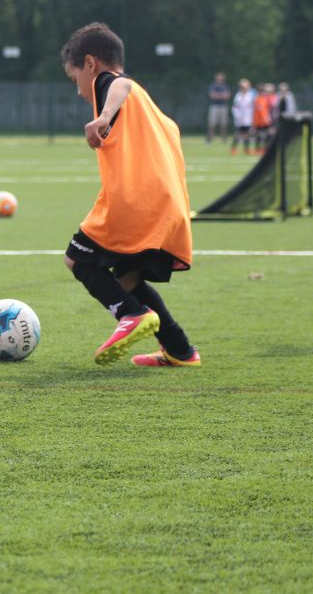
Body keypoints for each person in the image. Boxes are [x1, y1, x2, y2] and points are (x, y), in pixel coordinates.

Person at [60, 22, 199, 368]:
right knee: (127, 277)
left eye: (74, 79)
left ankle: (130, 314)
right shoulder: (149, 106)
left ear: (90, 64)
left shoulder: (112, 84)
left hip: (136, 202)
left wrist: (104, 116)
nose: (78, 91)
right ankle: (180, 350)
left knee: (77, 260)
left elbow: (121, 81)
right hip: (168, 207)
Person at [230, 78, 254, 155]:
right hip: (239, 119)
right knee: (238, 134)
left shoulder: (250, 96)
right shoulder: (238, 96)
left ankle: (246, 149)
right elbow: (235, 107)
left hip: (248, 118)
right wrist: (237, 116)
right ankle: (233, 148)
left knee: (247, 134)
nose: (244, 88)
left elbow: (252, 107)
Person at [205, 72, 230, 144]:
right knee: (212, 123)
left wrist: (218, 95)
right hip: (214, 106)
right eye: (218, 79)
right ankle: (210, 138)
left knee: (224, 124)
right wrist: (222, 96)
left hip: (223, 106)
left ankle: (224, 139)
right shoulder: (213, 86)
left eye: (221, 79)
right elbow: (212, 95)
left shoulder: (225, 86)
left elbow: (227, 96)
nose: (219, 80)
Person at [251, 82, 273, 154]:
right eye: (261, 90)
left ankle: (266, 148)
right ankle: (257, 149)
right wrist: (254, 123)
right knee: (258, 136)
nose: (262, 92)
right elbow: (256, 111)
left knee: (267, 135)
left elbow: (269, 108)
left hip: (265, 120)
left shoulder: (266, 98)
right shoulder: (257, 99)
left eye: (263, 90)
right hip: (259, 121)